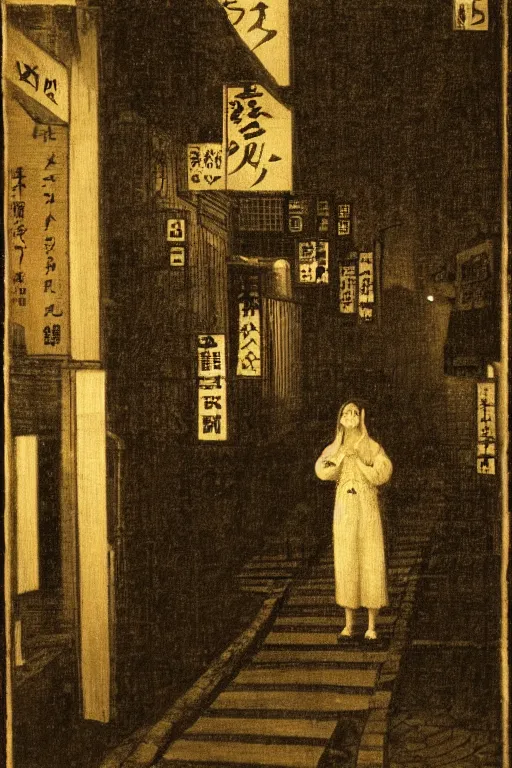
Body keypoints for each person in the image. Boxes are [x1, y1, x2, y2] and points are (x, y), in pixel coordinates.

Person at [315, 401, 392, 641]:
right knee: (346, 559)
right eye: (346, 412)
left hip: (367, 506)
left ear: (361, 417)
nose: (350, 416)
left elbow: (382, 473)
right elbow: (323, 470)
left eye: (354, 413)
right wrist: (340, 458)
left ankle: (371, 625)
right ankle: (348, 624)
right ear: (340, 418)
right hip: (345, 508)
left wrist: (359, 459)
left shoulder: (372, 446)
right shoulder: (334, 447)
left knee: (371, 558)